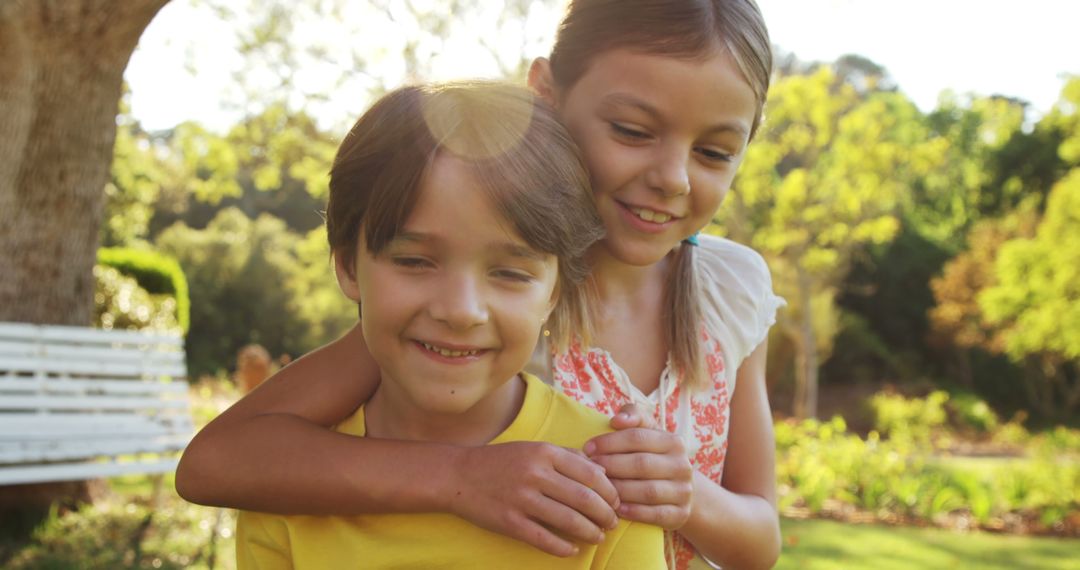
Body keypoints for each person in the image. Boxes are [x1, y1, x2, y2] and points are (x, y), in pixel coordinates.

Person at [178, 1, 784, 568]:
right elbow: (216, 463)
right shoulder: (485, 317)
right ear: (545, 94)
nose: (673, 178)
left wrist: (686, 495)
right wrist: (459, 475)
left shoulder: (729, 292)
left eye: (713, 152)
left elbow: (761, 541)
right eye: (631, 130)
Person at [235, 81, 665, 569]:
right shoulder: (279, 486)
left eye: (509, 272)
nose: (461, 310)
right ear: (349, 267)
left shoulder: (605, 480)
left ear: (555, 293)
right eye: (415, 261)